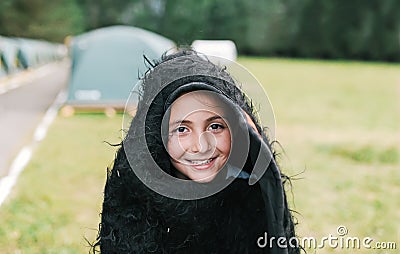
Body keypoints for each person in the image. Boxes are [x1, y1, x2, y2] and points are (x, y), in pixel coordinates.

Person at [93, 49, 300, 253]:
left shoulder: (253, 194)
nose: (201, 147)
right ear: (156, 136)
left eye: (215, 126)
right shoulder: (136, 203)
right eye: (182, 129)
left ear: (238, 129)